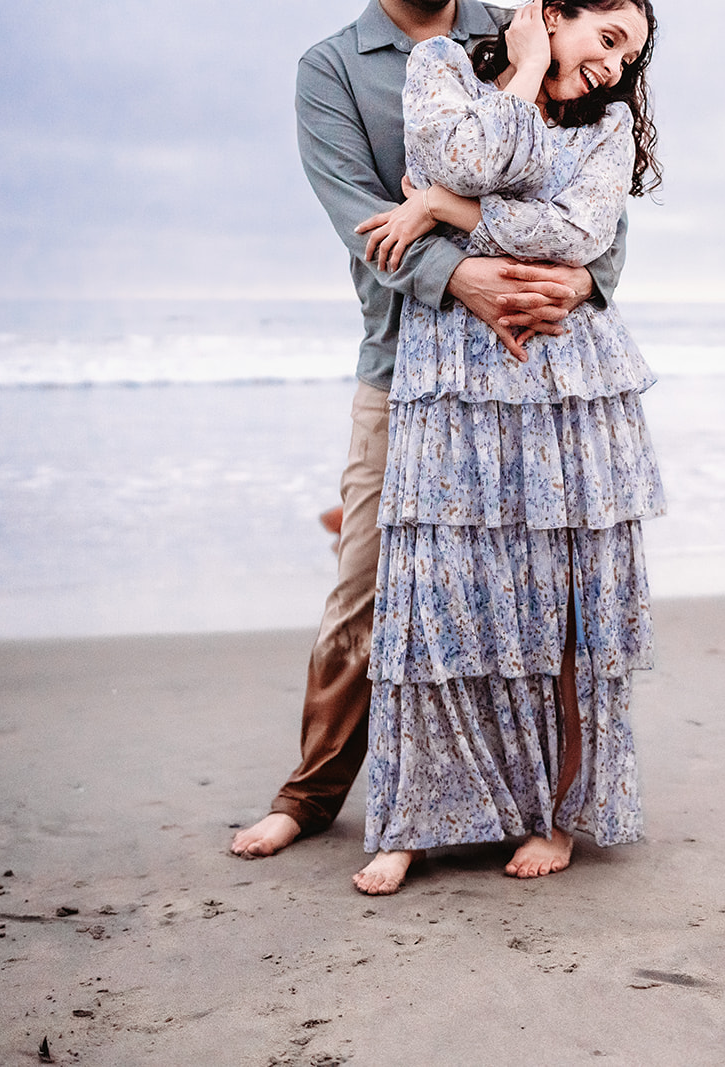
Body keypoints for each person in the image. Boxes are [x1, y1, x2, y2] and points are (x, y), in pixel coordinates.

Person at [230, 0, 629, 861]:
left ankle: (524, 801)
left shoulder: (513, 26)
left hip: (536, 361)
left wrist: (575, 286)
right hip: (406, 363)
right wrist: (466, 277)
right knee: (370, 586)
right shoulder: (333, 68)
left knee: (530, 607)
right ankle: (310, 794)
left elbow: (601, 224)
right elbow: (365, 217)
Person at [349, 0, 663, 894]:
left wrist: (448, 211)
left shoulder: (606, 129)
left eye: (629, 55)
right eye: (606, 38)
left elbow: (578, 237)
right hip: (449, 370)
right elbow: (461, 154)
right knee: (434, 597)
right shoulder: (440, 70)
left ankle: (558, 811)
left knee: (563, 613)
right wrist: (522, 69)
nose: (613, 66)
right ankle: (410, 819)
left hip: (570, 382)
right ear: (553, 12)